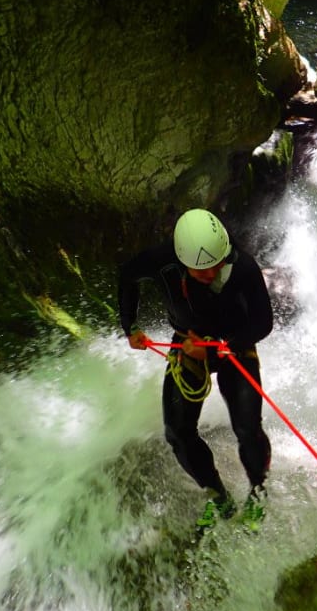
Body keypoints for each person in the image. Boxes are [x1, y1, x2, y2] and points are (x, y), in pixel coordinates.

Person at [117, 208, 274, 532]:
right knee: (178, 433)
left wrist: (219, 346)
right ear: (182, 259)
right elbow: (127, 277)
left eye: (217, 265)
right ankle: (218, 497)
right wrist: (130, 326)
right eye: (203, 270)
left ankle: (258, 491)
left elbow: (263, 322)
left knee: (248, 427)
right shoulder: (160, 259)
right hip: (187, 343)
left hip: (234, 344)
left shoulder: (242, 265)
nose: (212, 272)